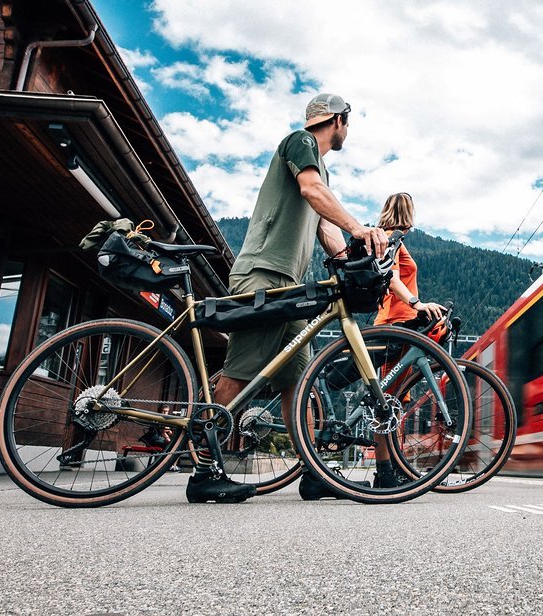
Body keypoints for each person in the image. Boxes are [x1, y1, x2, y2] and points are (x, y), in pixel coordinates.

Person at [187, 92, 388, 504]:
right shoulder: (301, 141)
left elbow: (324, 230)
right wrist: (359, 227)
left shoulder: (321, 175)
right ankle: (204, 469)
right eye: (347, 123)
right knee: (240, 373)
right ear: (337, 120)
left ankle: (314, 473)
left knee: (298, 383)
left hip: (289, 287)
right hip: (263, 275)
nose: (348, 131)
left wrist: (351, 254)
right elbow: (311, 189)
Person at [369, 192, 446, 488]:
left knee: (393, 399)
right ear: (408, 212)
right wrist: (417, 303)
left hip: (398, 323)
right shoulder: (392, 238)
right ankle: (385, 471)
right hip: (395, 323)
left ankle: (392, 468)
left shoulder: (391, 238)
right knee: (386, 401)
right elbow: (391, 278)